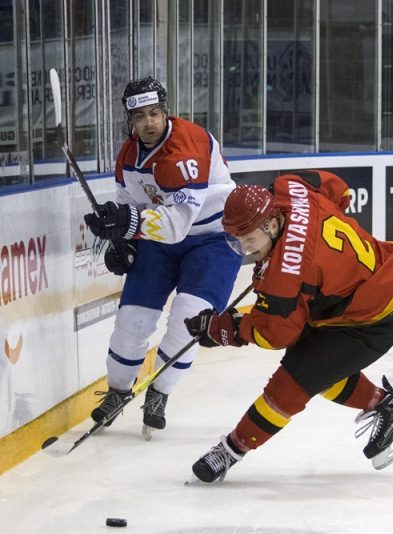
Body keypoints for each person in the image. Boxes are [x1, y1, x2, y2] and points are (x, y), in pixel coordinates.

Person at [184, 171, 393, 483]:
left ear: (272, 224)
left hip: (375, 317)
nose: (244, 248)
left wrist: (225, 330)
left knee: (294, 380)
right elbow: (338, 190)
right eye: (237, 239)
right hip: (382, 272)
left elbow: (273, 335)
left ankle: (231, 450)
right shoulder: (288, 188)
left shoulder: (285, 277)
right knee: (317, 366)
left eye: (249, 239)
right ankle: (388, 408)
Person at [82, 77, 241, 439]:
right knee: (132, 320)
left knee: (188, 317)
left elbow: (176, 227)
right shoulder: (128, 157)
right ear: (130, 121)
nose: (149, 122)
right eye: (140, 116)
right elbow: (130, 206)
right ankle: (118, 392)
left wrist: (128, 224)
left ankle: (159, 393)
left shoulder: (186, 147)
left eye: (155, 113)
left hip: (214, 239)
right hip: (159, 240)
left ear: (165, 112)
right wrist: (121, 239)